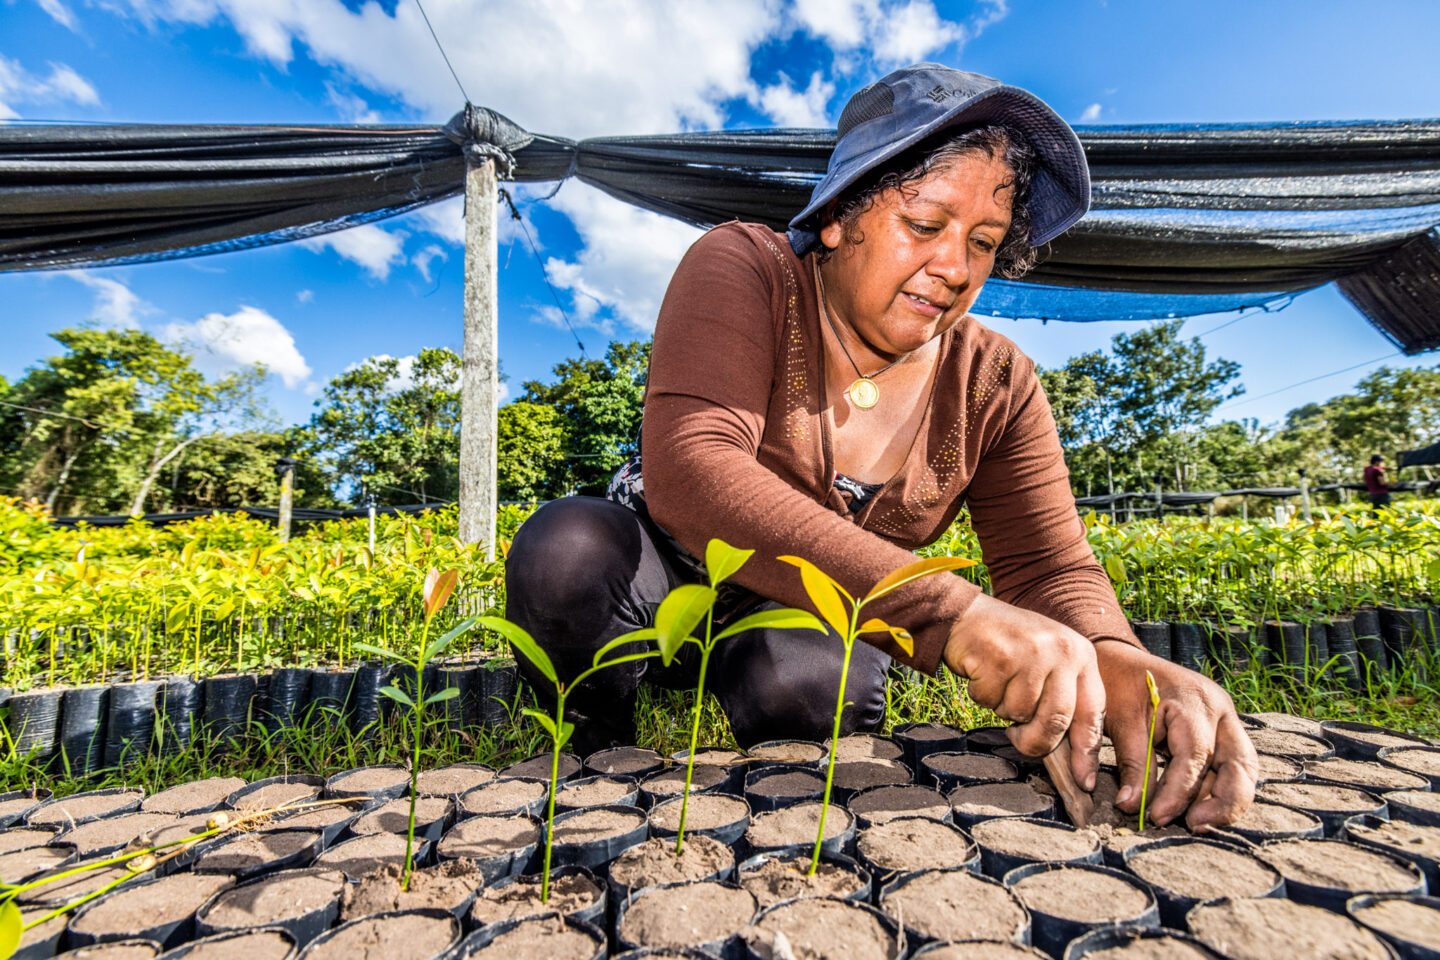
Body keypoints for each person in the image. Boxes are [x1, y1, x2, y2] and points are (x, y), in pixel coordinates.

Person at [505, 63, 1257, 831]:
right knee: (568, 554)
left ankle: (782, 832)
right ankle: (592, 767)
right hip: (656, 573)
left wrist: (1108, 650)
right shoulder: (749, 269)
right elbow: (695, 468)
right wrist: (949, 614)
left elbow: (1047, 564)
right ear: (839, 215)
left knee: (806, 683)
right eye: (925, 225)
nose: (955, 268)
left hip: (798, 607)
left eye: (984, 242)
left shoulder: (994, 382)